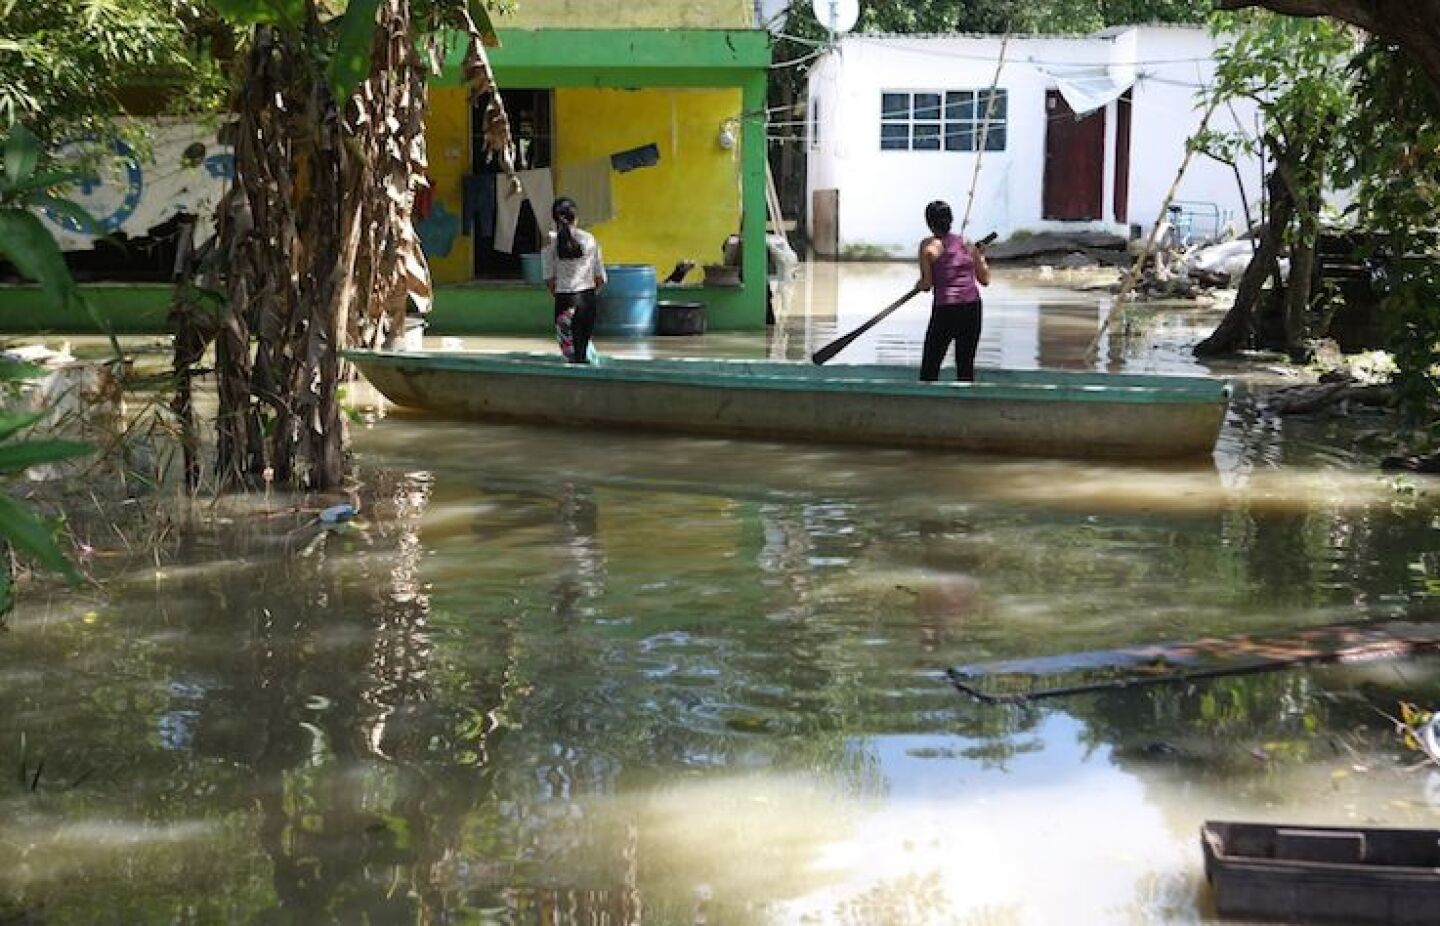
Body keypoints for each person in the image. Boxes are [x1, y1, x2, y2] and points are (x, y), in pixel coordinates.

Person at [915, 200, 990, 382]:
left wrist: (919, 285)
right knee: (965, 366)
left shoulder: (928, 247)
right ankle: (965, 407)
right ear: (951, 220)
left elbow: (927, 284)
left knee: (929, 368)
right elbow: (985, 280)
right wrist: (980, 256)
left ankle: (925, 404)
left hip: (946, 310)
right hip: (972, 307)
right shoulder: (967, 244)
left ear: (929, 222)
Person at [542, 197, 607, 363]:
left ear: (554, 219)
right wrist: (590, 295)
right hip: (587, 300)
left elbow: (549, 280)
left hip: (564, 301)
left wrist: (562, 296)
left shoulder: (550, 244)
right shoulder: (589, 239)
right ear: (575, 217)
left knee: (570, 359)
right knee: (582, 355)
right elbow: (600, 278)